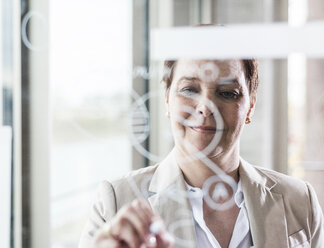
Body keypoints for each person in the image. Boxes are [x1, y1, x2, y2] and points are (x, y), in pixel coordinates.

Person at [79, 58, 324, 248]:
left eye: (228, 93)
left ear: (250, 106)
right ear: (166, 100)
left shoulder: (300, 200)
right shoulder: (116, 202)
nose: (207, 108)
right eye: (189, 89)